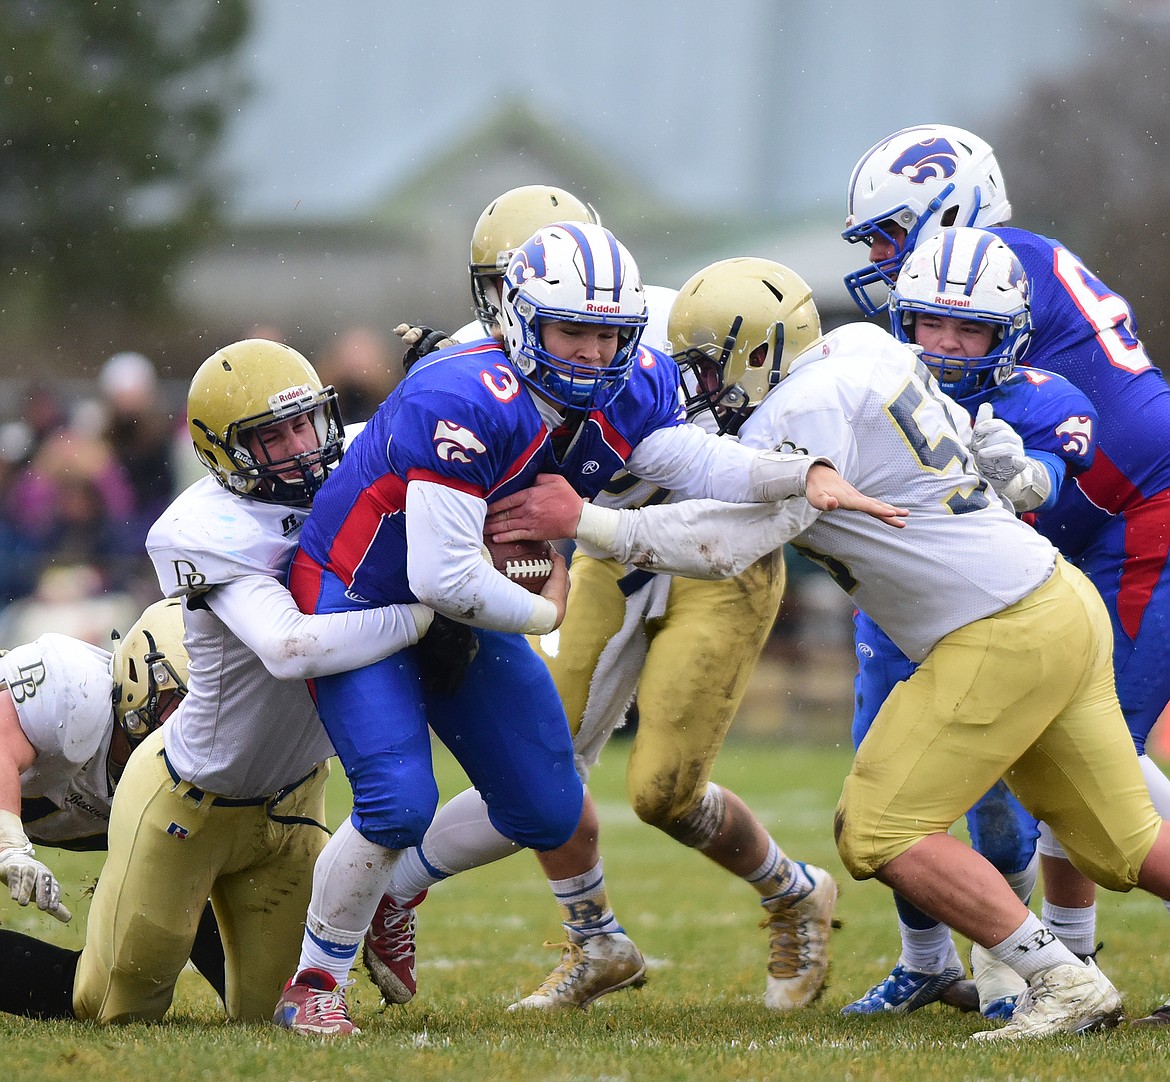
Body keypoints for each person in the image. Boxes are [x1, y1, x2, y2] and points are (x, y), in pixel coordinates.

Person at [485, 255, 1170, 1041]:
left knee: (879, 831)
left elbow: (731, 540)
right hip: (1054, 602)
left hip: (998, 630)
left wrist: (590, 523)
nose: (700, 385)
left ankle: (1058, 979)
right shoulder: (862, 352)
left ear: (757, 350)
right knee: (1130, 837)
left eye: (708, 365)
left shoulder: (804, 408)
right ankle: (1054, 975)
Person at [273, 222, 901, 1036]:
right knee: (399, 802)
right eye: (572, 331)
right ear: (518, 314)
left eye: (609, 334)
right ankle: (314, 983)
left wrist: (800, 472)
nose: (591, 354)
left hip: (502, 588)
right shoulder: (461, 394)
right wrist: (550, 603)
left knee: (548, 801)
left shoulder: (636, 376)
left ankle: (401, 896)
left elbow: (693, 460)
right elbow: (441, 576)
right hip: (363, 595)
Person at [373, 190, 829, 1015]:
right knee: (544, 757)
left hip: (713, 556)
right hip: (599, 557)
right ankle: (597, 940)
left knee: (663, 792)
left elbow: (728, 504)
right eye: (496, 292)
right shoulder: (488, 351)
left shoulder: (673, 324)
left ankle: (794, 891)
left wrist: (581, 522)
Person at [842, 123, 1170, 1027]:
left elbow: (1043, 445)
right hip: (1029, 528)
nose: (876, 258)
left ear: (950, 217)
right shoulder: (975, 282)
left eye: (886, 233)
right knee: (1006, 762)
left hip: (1126, 517)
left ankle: (1057, 967)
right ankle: (992, 964)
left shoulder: (987, 279)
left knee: (1086, 777)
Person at [69, 338, 435, 1026]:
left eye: (305, 423)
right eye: (271, 437)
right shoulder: (208, 525)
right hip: (189, 800)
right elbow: (290, 647)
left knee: (273, 1012)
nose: (301, 445)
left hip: (295, 802)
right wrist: (427, 613)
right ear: (222, 454)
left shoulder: (356, 454)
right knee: (120, 1003)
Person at [842, 226, 1100, 1019]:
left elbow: (1045, 481)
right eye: (931, 323)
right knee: (883, 803)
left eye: (970, 328)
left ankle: (1018, 964)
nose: (947, 345)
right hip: (894, 624)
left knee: (999, 818)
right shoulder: (867, 385)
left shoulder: (1047, 399)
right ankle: (924, 962)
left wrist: (1020, 474)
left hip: (990, 629)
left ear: (1008, 333)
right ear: (903, 320)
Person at [0, 598, 233, 1017]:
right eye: (181, 703)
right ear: (138, 677)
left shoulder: (203, 761)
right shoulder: (75, 688)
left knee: (80, 988)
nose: (194, 724)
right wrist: (9, 844)